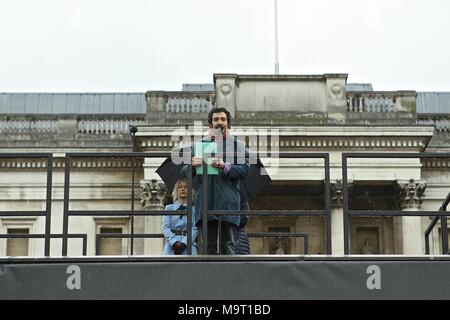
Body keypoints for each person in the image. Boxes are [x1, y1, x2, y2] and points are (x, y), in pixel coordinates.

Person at [183, 107, 250, 255]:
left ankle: (230, 279)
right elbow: (184, 172)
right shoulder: (199, 146)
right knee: (207, 249)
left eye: (223, 119)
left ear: (228, 124)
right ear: (210, 124)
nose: (219, 122)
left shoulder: (237, 146)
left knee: (229, 247)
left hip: (228, 203)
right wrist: (192, 165)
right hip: (206, 203)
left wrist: (224, 166)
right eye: (216, 119)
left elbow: (245, 170)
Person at [162, 178, 198, 255]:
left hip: (189, 244)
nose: (183, 189)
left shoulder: (194, 209)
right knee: (167, 266)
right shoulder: (169, 208)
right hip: (171, 245)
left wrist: (184, 243)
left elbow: (195, 228)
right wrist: (174, 242)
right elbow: (166, 227)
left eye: (186, 187)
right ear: (176, 190)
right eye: (180, 187)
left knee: (191, 266)